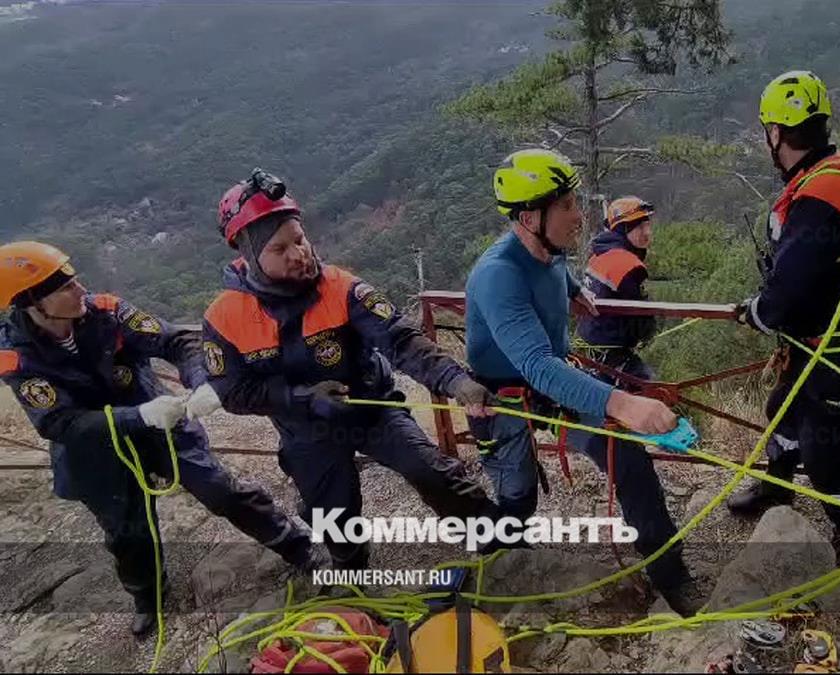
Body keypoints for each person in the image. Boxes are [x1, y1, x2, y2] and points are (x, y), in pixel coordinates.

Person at [0, 241, 321, 636]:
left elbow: (175, 341)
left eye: (75, 281)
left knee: (220, 488)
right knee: (127, 529)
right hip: (97, 450)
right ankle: (148, 596)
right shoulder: (17, 356)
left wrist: (202, 380)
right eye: (65, 288)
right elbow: (58, 422)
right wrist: (137, 416)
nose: (80, 290)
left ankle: (296, 546)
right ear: (32, 303)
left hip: (160, 425)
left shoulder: (108, 312)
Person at [198, 168, 499, 571]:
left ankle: (496, 539)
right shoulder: (225, 317)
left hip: (371, 407)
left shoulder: (341, 287)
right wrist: (303, 398)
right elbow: (233, 391)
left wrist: (456, 381)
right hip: (304, 428)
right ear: (250, 256)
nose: (299, 254)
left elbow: (400, 339)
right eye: (280, 249)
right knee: (333, 515)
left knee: (430, 470)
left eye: (300, 239)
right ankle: (351, 569)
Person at [463, 148, 703, 616]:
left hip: (553, 384)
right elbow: (536, 364)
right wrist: (623, 403)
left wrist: (574, 292)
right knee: (517, 498)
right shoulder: (497, 276)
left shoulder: (549, 251)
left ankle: (671, 575)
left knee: (628, 460)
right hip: (504, 396)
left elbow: (554, 274)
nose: (579, 216)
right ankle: (498, 578)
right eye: (567, 206)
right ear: (530, 218)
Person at [727, 71, 840, 564]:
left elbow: (790, 287)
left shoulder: (819, 197)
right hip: (823, 341)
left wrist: (757, 313)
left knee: (830, 452)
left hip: (832, 352)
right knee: (783, 411)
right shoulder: (837, 173)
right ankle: (777, 488)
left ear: (776, 133)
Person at [577, 196, 658, 386]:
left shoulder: (600, 254)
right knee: (650, 391)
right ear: (623, 230)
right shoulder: (626, 264)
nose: (647, 233)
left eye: (647, 226)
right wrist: (646, 334)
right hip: (611, 350)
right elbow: (640, 315)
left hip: (592, 344)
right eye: (640, 227)